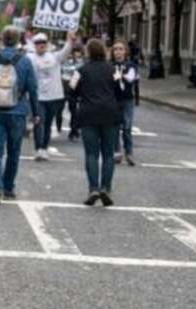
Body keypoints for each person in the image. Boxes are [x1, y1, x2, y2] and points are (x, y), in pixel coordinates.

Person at [0, 27, 39, 205]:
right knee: (14, 151)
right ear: (19, 40)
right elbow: (32, 89)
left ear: (2, 40)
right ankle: (9, 188)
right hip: (17, 111)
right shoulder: (25, 61)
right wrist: (34, 112)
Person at [72, 39, 126, 207]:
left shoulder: (80, 70)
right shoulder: (113, 70)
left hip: (88, 114)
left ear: (88, 52)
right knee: (108, 154)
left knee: (91, 154)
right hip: (110, 114)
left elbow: (72, 89)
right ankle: (106, 188)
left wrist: (80, 98)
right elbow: (121, 90)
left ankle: (93, 188)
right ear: (104, 51)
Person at [27, 31, 72, 161]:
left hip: (53, 96)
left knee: (47, 124)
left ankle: (44, 148)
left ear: (47, 44)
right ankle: (38, 149)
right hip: (38, 97)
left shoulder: (54, 57)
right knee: (38, 122)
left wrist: (70, 40)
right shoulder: (30, 58)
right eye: (38, 43)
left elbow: (65, 51)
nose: (41, 45)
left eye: (43, 42)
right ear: (34, 45)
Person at [111, 41, 140, 166]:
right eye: (116, 49)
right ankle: (117, 152)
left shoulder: (131, 66)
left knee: (127, 127)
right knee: (115, 127)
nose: (118, 51)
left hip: (127, 99)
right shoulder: (109, 65)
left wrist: (120, 76)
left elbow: (131, 79)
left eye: (121, 49)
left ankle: (129, 153)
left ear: (125, 51)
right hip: (113, 99)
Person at [62, 45, 84, 140]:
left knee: (75, 112)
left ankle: (74, 130)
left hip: (78, 90)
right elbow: (64, 73)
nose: (76, 55)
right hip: (69, 89)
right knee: (71, 111)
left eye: (79, 54)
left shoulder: (83, 63)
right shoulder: (67, 62)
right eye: (75, 53)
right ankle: (73, 129)